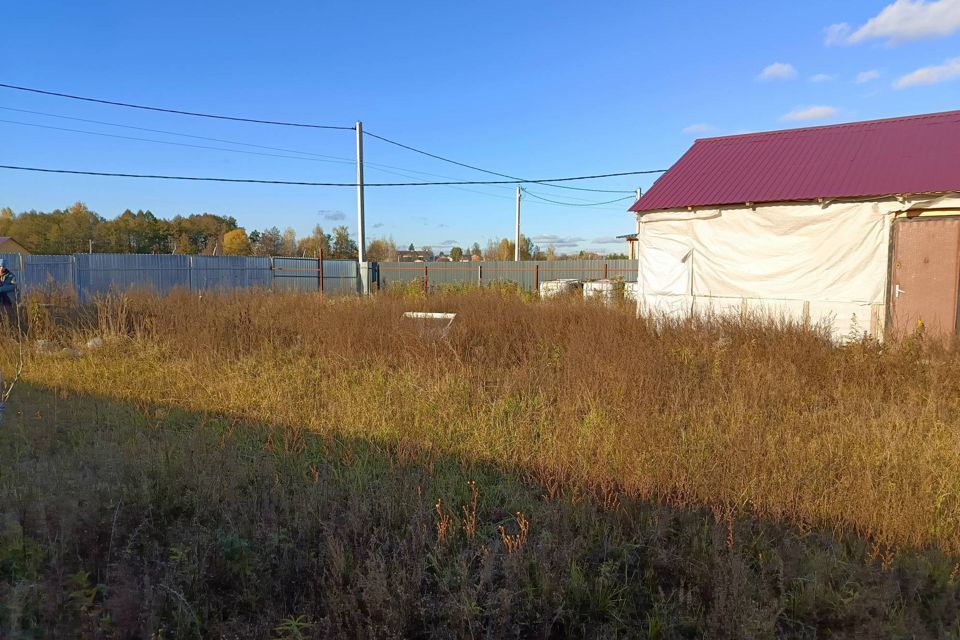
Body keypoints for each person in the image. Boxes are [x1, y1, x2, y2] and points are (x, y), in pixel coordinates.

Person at [0, 259, 18, 330]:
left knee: (9, 317)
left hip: (8, 301)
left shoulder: (11, 275)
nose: (1, 268)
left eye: (3, 266)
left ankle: (11, 330)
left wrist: (1, 289)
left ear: (5, 267)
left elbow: (14, 286)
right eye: (0, 266)